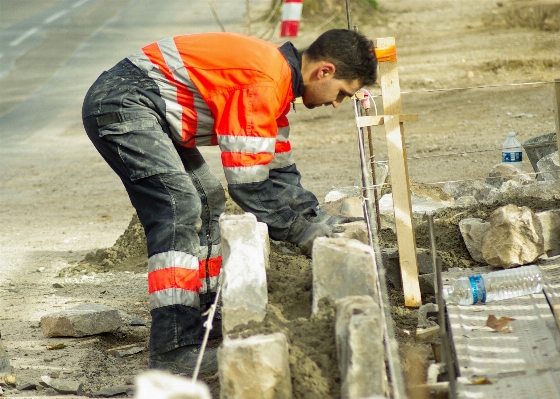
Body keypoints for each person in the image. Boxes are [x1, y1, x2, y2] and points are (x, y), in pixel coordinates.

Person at [81, 29, 377, 375]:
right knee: (179, 207)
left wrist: (320, 221)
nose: (337, 102)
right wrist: (303, 234)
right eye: (343, 92)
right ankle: (173, 349)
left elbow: (280, 174)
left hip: (146, 107)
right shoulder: (263, 83)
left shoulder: (277, 84)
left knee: (207, 199)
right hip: (123, 102)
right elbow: (249, 187)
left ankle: (206, 317)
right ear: (324, 71)